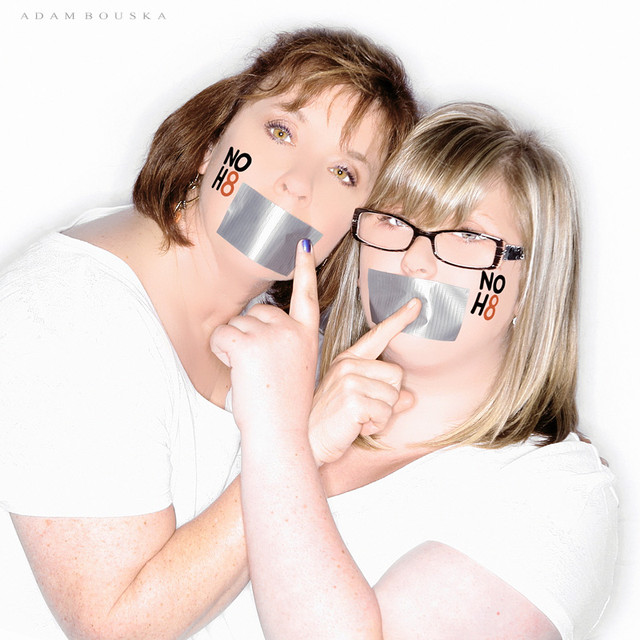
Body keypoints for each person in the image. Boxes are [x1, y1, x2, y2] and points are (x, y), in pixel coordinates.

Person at [0, 28, 418, 640]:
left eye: (343, 172)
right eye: (281, 131)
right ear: (210, 143)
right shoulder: (71, 312)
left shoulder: (284, 333)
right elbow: (116, 627)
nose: (298, 183)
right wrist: (300, 443)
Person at [213, 103, 618, 639]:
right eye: (393, 220)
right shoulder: (271, 378)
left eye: (468, 236)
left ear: (532, 284)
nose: (415, 261)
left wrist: (283, 438)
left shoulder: (559, 493)